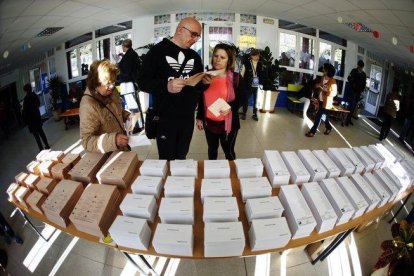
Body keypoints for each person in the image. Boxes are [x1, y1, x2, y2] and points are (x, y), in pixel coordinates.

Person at [138, 17, 204, 160]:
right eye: (193, 34)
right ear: (180, 30)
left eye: (198, 36)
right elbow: (142, 82)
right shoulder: (157, 52)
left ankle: (179, 182)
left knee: (181, 155)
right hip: (165, 118)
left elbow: (198, 87)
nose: (196, 39)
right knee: (167, 158)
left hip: (187, 118)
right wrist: (166, 85)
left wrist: (205, 81)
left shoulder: (195, 56)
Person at [196, 43, 246, 160]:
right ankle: (213, 173)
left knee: (228, 152)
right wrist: (199, 117)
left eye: (222, 57)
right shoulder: (206, 76)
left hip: (228, 124)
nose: (218, 60)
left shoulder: (236, 78)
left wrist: (231, 107)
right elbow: (201, 98)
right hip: (209, 122)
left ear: (229, 60)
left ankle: (230, 175)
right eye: (216, 56)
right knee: (212, 150)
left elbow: (243, 97)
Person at [80, 59, 138, 153]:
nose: (112, 87)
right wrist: (114, 140)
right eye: (108, 84)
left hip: (122, 149)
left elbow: (114, 111)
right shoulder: (88, 105)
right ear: (96, 82)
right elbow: (86, 142)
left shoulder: (112, 91)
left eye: (113, 82)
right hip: (107, 156)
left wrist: (127, 116)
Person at [305, 63, 337, 137]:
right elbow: (322, 84)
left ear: (327, 70)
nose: (323, 69)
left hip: (327, 102)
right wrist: (319, 85)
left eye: (324, 68)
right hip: (321, 100)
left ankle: (313, 131)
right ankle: (329, 127)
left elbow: (334, 93)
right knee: (325, 117)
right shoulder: (323, 77)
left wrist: (327, 91)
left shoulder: (333, 81)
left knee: (318, 116)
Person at [118, 39, 143, 130]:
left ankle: (137, 126)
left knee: (133, 105)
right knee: (134, 104)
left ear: (124, 46)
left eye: (122, 46)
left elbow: (127, 71)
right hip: (130, 83)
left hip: (128, 83)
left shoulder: (128, 56)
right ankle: (139, 124)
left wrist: (118, 67)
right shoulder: (131, 54)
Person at [22, 83, 50, 151]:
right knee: (41, 132)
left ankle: (41, 149)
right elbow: (38, 104)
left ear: (25, 90)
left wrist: (25, 119)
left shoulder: (26, 99)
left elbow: (25, 111)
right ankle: (47, 145)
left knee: (36, 136)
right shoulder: (35, 95)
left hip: (31, 120)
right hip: (37, 117)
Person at [240, 49, 265, 121]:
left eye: (258, 55)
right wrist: (242, 84)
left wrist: (261, 83)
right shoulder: (246, 63)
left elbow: (261, 74)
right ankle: (244, 113)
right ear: (251, 56)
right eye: (256, 55)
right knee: (245, 99)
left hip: (256, 84)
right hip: (247, 84)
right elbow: (242, 74)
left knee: (256, 100)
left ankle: (255, 114)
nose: (257, 57)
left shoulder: (260, 64)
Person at [346, 60, 366, 126]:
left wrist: (362, 90)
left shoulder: (364, 74)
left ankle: (349, 119)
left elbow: (364, 84)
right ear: (358, 65)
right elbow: (349, 78)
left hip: (358, 92)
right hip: (353, 91)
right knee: (351, 105)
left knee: (354, 106)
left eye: (361, 67)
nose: (360, 68)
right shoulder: (354, 71)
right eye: (359, 67)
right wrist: (353, 83)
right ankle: (347, 119)